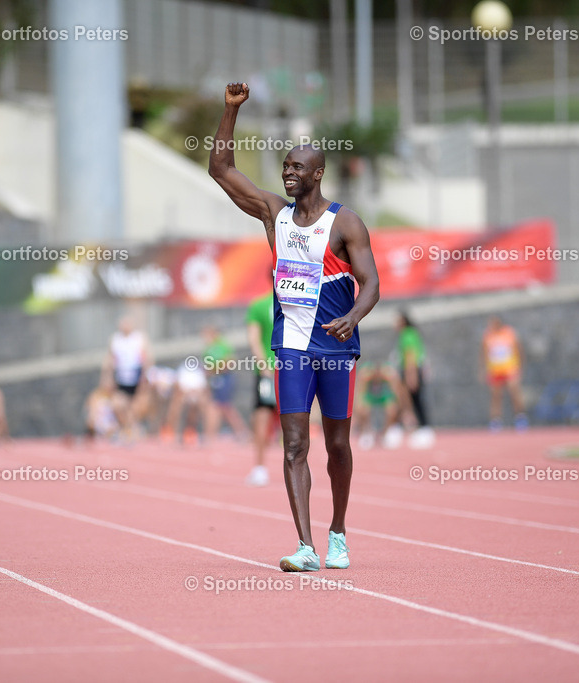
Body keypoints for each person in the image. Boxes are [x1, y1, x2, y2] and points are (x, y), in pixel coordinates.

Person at [209, 82, 380, 572]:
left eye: (296, 167)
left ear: (318, 174)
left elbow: (371, 284)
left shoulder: (346, 224)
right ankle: (305, 546)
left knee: (338, 445)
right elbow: (220, 169)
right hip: (291, 347)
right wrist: (230, 111)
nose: (287, 173)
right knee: (293, 444)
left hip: (336, 348)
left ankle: (339, 531)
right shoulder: (273, 215)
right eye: (284, 166)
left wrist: (352, 316)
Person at [244, 291, 278, 486]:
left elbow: (254, 339)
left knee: (262, 418)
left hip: (270, 371)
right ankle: (301, 467)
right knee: (296, 419)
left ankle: (259, 468)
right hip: (295, 369)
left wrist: (263, 365)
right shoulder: (299, 299)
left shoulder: (259, 304)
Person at [102, 316, 153, 440]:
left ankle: (134, 430)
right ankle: (127, 429)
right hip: (121, 378)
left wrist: (144, 377)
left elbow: (147, 358)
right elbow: (109, 359)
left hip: (136, 376)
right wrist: (107, 377)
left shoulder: (139, 338)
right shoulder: (115, 339)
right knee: (117, 405)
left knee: (135, 408)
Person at [202, 325, 249, 442]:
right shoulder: (208, 348)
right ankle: (211, 434)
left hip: (225, 378)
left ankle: (240, 432)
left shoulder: (222, 345)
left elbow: (230, 362)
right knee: (219, 406)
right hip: (215, 379)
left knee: (222, 406)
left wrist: (216, 369)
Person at [481, 315, 528, 431]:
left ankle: (520, 418)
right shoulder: (488, 336)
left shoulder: (509, 333)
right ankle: (495, 421)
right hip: (495, 370)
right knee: (496, 396)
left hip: (510, 369)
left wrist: (520, 365)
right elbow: (483, 354)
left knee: (515, 393)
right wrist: (483, 369)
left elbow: (518, 349)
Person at [397, 312, 434, 449]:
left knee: (416, 399)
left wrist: (411, 376)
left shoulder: (407, 334)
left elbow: (410, 355)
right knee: (413, 400)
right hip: (412, 369)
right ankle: (420, 427)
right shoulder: (411, 333)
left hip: (411, 370)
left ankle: (424, 427)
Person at [354, 361, 402, 449]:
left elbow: (395, 394)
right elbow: (360, 395)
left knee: (392, 408)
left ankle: (386, 433)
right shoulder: (365, 376)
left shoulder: (388, 375)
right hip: (370, 396)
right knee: (362, 408)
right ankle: (367, 432)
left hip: (383, 396)